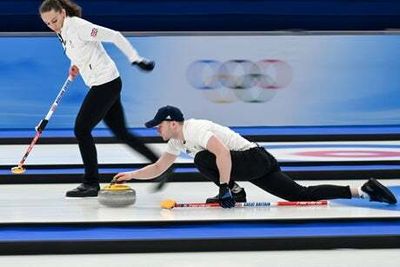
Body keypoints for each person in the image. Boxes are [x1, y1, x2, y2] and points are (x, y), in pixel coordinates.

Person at [113, 105, 397, 208]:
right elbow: (161, 166)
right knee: (298, 194)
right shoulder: (177, 140)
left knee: (203, 159)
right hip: (255, 161)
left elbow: (222, 153)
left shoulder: (195, 128)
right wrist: (133, 176)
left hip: (251, 158)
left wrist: (225, 188)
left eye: (159, 125)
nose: (156, 130)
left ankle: (235, 192)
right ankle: (363, 190)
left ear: (173, 122)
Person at [39, 0, 159, 197]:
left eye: (54, 20)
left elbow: (114, 35)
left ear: (62, 13)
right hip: (103, 82)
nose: (53, 26)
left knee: (81, 129)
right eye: (48, 23)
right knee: (121, 132)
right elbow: (80, 49)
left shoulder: (78, 26)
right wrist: (76, 63)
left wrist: (135, 59)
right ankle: (160, 164)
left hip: (106, 84)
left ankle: (91, 183)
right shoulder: (63, 31)